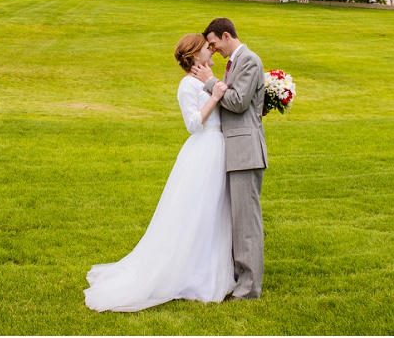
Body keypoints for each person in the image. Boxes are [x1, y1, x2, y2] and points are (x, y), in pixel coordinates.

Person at [84, 35, 236, 312]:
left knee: (216, 211)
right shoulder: (188, 85)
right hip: (204, 150)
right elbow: (193, 124)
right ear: (195, 56)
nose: (211, 50)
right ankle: (193, 275)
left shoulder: (208, 79)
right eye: (206, 48)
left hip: (219, 148)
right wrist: (214, 96)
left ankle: (212, 271)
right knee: (199, 211)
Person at [202, 17, 267, 300]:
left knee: (246, 222)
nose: (214, 50)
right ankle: (237, 279)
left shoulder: (249, 60)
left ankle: (249, 288)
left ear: (226, 35)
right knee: (236, 220)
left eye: (214, 44)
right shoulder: (235, 63)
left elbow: (239, 102)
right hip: (235, 151)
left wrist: (210, 83)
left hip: (245, 152)